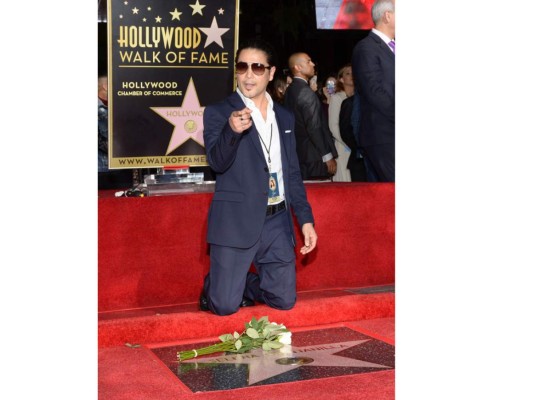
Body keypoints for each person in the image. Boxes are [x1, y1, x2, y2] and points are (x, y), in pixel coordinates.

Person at [199, 38, 318, 316]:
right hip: (236, 220)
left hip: (276, 220)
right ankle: (218, 286)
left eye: (257, 68)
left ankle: (242, 284)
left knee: (284, 301)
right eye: (242, 67)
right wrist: (231, 131)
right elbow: (217, 162)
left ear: (272, 72)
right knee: (225, 306)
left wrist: (306, 220)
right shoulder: (219, 112)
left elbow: (292, 173)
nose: (249, 75)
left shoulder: (285, 117)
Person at [352, 0, 395, 182]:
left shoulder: (393, 48)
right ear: (387, 15)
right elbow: (375, 92)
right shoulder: (366, 48)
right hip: (384, 135)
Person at [284, 52, 337, 180]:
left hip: (299, 156)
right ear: (298, 67)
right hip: (315, 158)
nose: (313, 64)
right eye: (308, 61)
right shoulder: (306, 92)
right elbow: (314, 127)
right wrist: (327, 156)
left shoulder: (291, 90)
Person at [328, 64, 354, 182]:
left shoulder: (359, 98)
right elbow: (333, 126)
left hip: (357, 148)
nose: (352, 75)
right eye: (348, 73)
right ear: (342, 79)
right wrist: (350, 144)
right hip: (343, 146)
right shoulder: (337, 98)